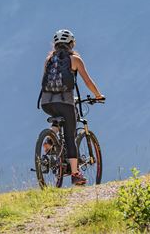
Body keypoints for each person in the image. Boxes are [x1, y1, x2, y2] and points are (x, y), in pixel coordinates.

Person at [38, 29, 105, 186]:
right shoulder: (75, 59)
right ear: (71, 44)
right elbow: (88, 82)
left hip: (46, 103)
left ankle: (50, 138)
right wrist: (98, 95)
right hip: (65, 102)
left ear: (55, 45)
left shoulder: (49, 60)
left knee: (57, 117)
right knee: (69, 136)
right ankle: (75, 174)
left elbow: (48, 82)